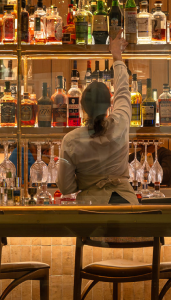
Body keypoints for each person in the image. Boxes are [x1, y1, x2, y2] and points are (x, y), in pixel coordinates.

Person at [58, 36, 137, 205]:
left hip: (91, 207)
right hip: (126, 205)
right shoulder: (120, 123)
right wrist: (116, 56)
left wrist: (89, 182)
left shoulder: (70, 140)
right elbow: (123, 90)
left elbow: (66, 188)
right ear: (110, 103)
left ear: (81, 107)